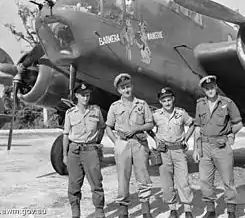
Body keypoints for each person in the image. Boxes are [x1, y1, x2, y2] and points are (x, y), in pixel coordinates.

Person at [193, 75, 243, 218]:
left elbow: (238, 123)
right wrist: (196, 149)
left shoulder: (227, 103)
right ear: (203, 90)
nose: (210, 90)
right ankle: (210, 210)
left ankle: (231, 212)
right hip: (205, 146)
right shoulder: (200, 104)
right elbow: (197, 127)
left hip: (222, 146)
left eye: (212, 87)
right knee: (205, 181)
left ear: (216, 87)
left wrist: (230, 134)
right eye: (207, 88)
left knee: (228, 180)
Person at [105, 73, 154, 218]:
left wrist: (137, 129)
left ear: (132, 86)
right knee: (123, 178)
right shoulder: (115, 107)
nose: (126, 90)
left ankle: (146, 211)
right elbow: (108, 127)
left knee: (143, 177)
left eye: (128, 86)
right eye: (122, 88)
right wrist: (116, 143)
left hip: (139, 144)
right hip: (123, 145)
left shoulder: (142, 104)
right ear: (119, 90)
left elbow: (150, 123)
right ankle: (123, 211)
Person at [148, 87, 195, 218]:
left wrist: (186, 137)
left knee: (183, 180)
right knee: (166, 182)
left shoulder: (181, 113)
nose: (167, 103)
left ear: (173, 99)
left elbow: (192, 124)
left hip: (178, 151)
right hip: (163, 152)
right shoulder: (156, 115)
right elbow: (148, 127)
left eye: (169, 99)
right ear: (160, 101)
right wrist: (155, 138)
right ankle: (172, 209)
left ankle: (187, 209)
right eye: (164, 100)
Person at [62, 83, 106, 218]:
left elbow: (102, 127)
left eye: (87, 95)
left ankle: (99, 210)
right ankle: (75, 211)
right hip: (74, 151)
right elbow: (65, 134)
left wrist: (96, 143)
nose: (86, 98)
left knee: (96, 182)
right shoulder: (70, 113)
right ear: (76, 96)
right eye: (83, 95)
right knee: (74, 183)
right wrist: (64, 154)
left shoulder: (96, 111)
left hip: (90, 150)